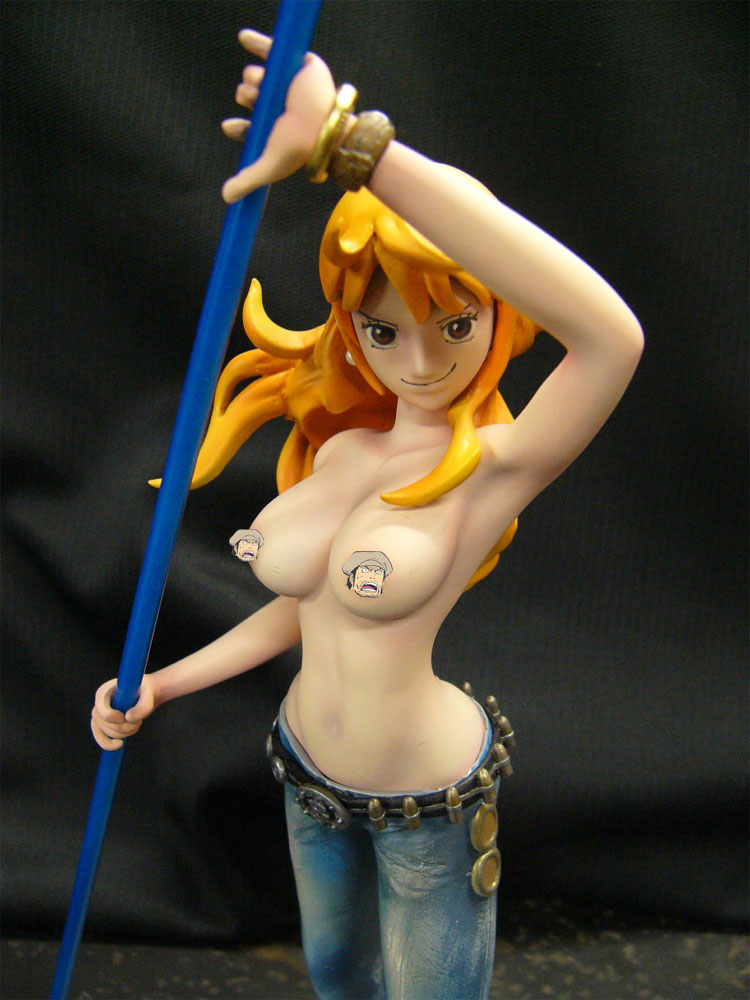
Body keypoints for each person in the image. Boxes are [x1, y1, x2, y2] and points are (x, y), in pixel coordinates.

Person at [91, 29, 643, 1000]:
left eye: (456, 324)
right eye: (384, 330)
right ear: (351, 327)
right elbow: (306, 612)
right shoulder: (344, 451)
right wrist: (162, 685)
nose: (421, 362)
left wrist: (357, 149)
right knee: (338, 977)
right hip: (307, 772)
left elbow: (610, 337)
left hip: (425, 798)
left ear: (499, 316)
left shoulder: (494, 468)